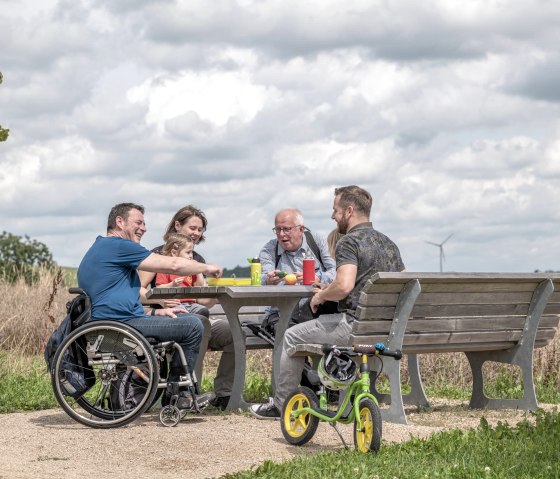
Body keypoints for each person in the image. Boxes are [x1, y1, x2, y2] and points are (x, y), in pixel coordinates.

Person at [250, 185, 405, 419]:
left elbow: (343, 285)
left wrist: (321, 296)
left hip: (354, 328)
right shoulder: (389, 244)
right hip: (385, 331)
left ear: (349, 211)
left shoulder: (349, 242)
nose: (333, 216)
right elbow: (403, 282)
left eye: (335, 210)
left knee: (291, 336)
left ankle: (281, 406)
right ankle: (340, 399)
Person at [77, 202, 223, 409]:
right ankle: (179, 396)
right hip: (120, 327)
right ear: (119, 222)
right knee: (193, 325)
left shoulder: (101, 246)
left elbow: (116, 300)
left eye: (144, 223)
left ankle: (175, 394)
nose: (144, 228)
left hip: (116, 322)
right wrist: (207, 267)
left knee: (183, 317)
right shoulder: (119, 246)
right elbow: (174, 264)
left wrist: (157, 311)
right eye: (138, 222)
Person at [139, 205, 234, 411]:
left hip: (195, 311)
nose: (196, 234)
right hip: (165, 318)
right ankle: (190, 391)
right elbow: (137, 292)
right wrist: (160, 301)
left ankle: (225, 394)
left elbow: (203, 302)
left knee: (232, 332)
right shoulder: (156, 255)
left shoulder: (197, 260)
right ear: (177, 225)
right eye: (192, 228)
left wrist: (214, 294)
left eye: (200, 230)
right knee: (200, 323)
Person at [258, 208, 336, 331]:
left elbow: (336, 272)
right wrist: (268, 280)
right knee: (285, 331)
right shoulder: (269, 250)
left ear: (301, 229)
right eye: (277, 229)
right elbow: (260, 279)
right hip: (280, 313)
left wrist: (318, 277)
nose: (281, 234)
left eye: (287, 229)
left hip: (315, 309)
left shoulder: (316, 242)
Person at [154, 232, 212, 317]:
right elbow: (158, 288)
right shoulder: (165, 269)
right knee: (183, 314)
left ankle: (198, 323)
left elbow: (199, 286)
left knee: (203, 310)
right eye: (188, 252)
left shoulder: (190, 270)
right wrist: (172, 284)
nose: (191, 256)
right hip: (175, 304)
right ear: (174, 253)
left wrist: (198, 270)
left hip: (191, 304)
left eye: (191, 252)